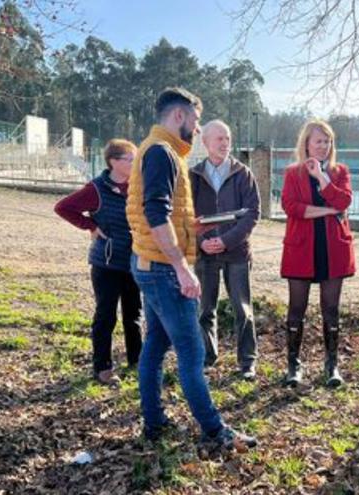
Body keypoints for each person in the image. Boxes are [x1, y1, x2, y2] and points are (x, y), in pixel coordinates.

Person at [126, 87, 257, 452]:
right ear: (179, 116)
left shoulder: (156, 149)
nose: (197, 130)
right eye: (196, 121)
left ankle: (154, 422)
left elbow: (158, 211)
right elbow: (154, 215)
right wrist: (183, 268)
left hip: (149, 262)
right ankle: (215, 431)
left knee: (155, 343)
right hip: (165, 268)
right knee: (191, 352)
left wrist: (190, 228)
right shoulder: (162, 154)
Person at [54, 139, 142, 384]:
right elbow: (63, 207)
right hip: (106, 264)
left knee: (134, 315)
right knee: (106, 315)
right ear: (114, 162)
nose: (135, 164)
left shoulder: (138, 187)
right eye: (130, 160)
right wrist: (90, 225)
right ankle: (102, 367)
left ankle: (137, 361)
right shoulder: (97, 188)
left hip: (134, 262)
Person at [279, 119, 355, 388]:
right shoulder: (292, 173)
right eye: (318, 141)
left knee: (331, 309)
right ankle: (293, 364)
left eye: (327, 141)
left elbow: (344, 201)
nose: (323, 146)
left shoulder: (340, 171)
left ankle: (331, 364)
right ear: (307, 144)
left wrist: (322, 178)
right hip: (301, 249)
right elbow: (292, 207)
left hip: (333, 249)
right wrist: (328, 210)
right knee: (296, 309)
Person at [190, 120, 261, 380]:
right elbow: (186, 216)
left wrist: (227, 240)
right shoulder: (193, 176)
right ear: (205, 142)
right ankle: (208, 358)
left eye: (227, 138)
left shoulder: (243, 174)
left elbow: (253, 214)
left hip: (237, 254)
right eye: (218, 138)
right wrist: (201, 242)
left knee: (242, 309)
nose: (224, 143)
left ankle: (247, 363)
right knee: (205, 309)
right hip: (205, 254)